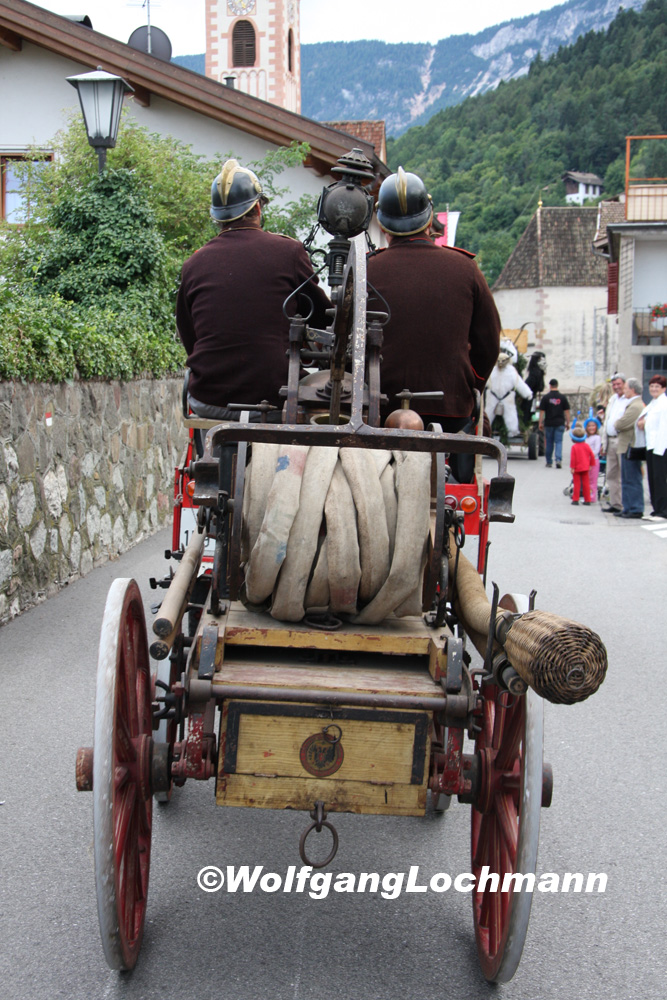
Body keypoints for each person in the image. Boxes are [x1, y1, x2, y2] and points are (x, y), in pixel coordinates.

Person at [366, 167, 501, 482]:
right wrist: (470, 387)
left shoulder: (367, 271)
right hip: (451, 411)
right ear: (429, 220)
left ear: (383, 224)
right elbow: (489, 343)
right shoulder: (464, 268)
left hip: (378, 414)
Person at [176, 158, 330, 424]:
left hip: (208, 400)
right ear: (258, 207)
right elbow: (322, 318)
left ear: (217, 218)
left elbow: (189, 336)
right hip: (272, 401)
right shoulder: (289, 252)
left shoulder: (194, 263)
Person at [611, 377, 645, 519]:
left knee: (632, 478)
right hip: (626, 446)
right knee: (626, 478)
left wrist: (618, 422)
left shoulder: (636, 406)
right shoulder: (632, 404)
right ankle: (628, 507)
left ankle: (635, 508)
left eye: (626, 388)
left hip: (630, 446)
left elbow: (621, 424)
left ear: (632, 390)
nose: (624, 391)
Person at [636, 374, 667, 520]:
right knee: (652, 478)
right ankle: (656, 509)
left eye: (657, 386)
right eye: (652, 386)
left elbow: (663, 428)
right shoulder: (653, 403)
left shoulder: (664, 404)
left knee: (660, 479)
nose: (654, 389)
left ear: (664, 388)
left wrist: (660, 449)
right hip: (650, 445)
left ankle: (663, 511)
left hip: (660, 446)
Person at [600, 373, 629, 513]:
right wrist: (603, 443)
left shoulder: (629, 400)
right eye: (614, 384)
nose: (616, 387)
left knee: (623, 474)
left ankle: (625, 504)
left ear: (624, 384)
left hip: (621, 439)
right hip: (610, 440)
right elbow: (607, 421)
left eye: (619, 384)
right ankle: (615, 503)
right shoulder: (613, 399)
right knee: (611, 473)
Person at [538, 379, 571, 468]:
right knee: (559, 442)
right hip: (559, 423)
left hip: (548, 423)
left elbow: (542, 412)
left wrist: (540, 423)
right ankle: (558, 460)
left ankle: (549, 461)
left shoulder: (546, 398)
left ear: (550, 385)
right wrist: (568, 423)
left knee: (549, 442)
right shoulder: (562, 397)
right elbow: (567, 411)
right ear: (557, 385)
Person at [569, 422, 595, 504]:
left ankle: (575, 499)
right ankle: (587, 500)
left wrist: (572, 467)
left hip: (577, 468)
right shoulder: (587, 446)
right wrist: (591, 464)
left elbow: (573, 458)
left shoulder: (574, 447)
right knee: (586, 484)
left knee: (577, 484)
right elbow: (592, 455)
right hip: (585, 467)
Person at [584, 417, 602, 502]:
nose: (591, 428)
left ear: (596, 427)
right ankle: (586, 495)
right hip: (584, 461)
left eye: (593, 426)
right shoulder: (585, 437)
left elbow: (597, 450)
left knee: (593, 479)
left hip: (593, 461)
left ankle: (592, 496)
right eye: (589, 426)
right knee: (586, 479)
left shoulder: (597, 437)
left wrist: (589, 456)